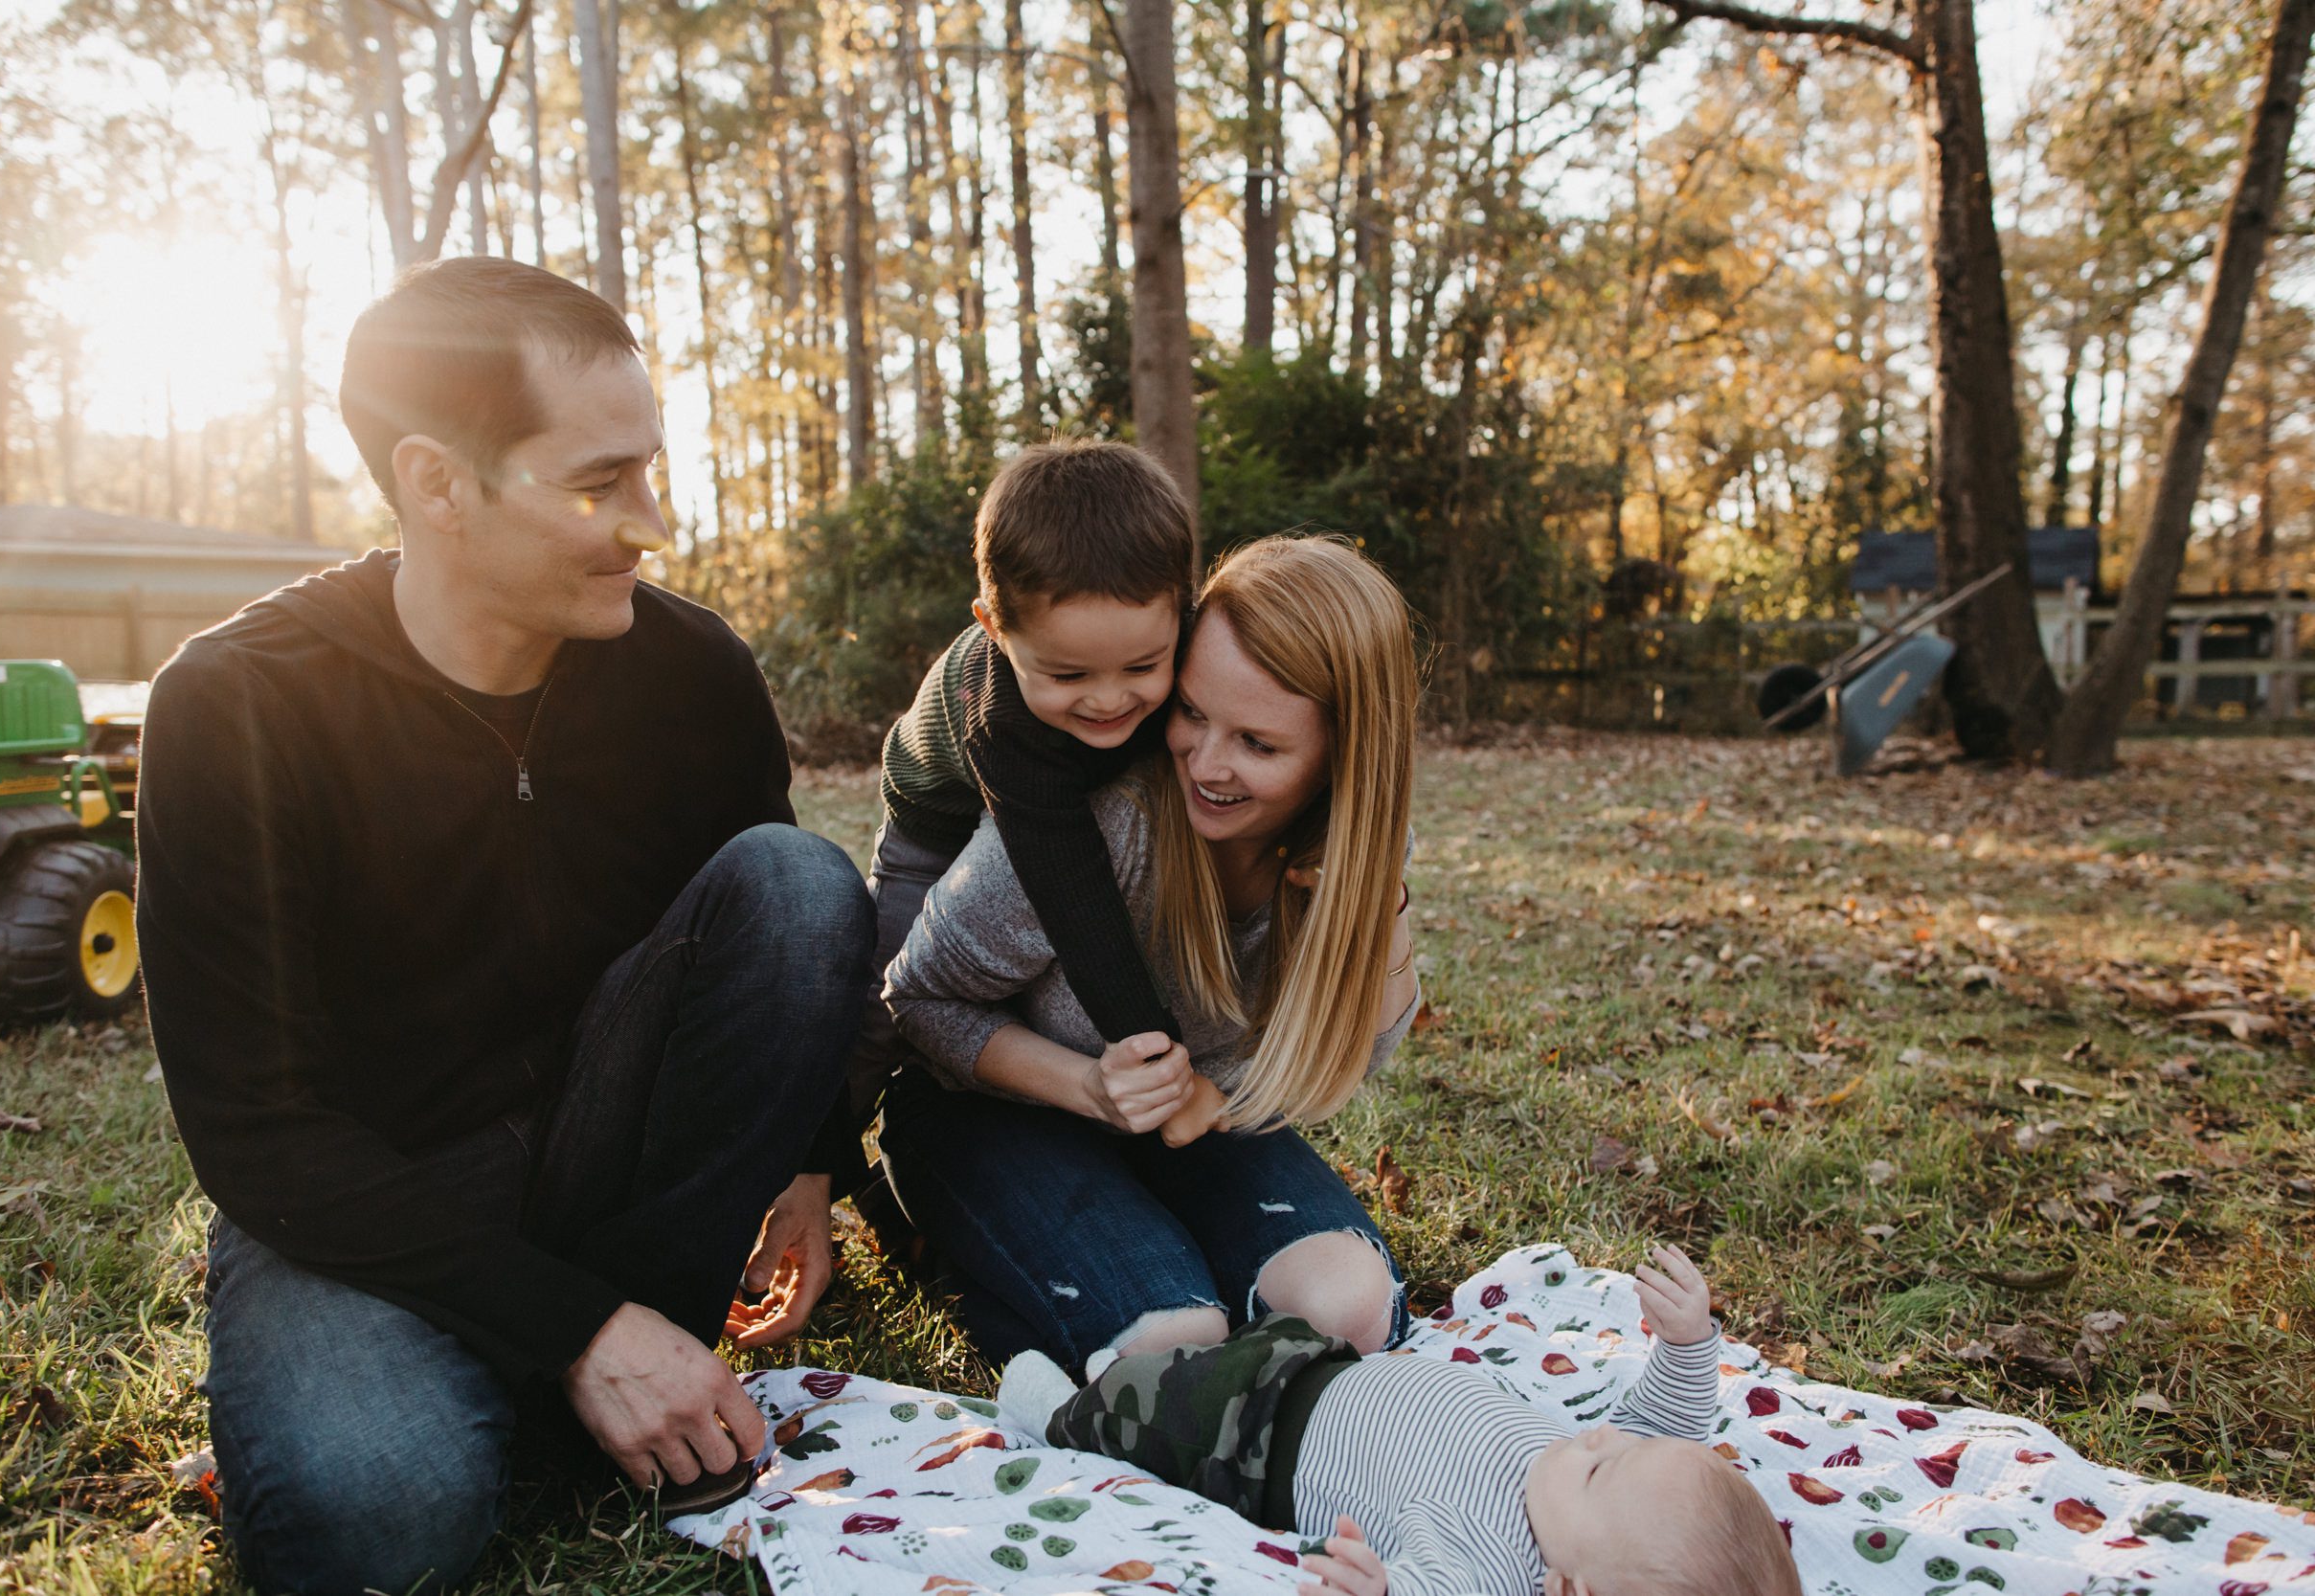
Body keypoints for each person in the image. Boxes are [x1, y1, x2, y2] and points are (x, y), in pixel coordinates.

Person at [135, 258, 874, 1596]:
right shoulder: (234, 705)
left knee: (798, 881)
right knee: (381, 1516)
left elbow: (779, 953)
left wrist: (812, 1167)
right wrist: (584, 1329)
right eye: (599, 484)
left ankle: (572, 1361)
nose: (651, 522)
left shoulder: (690, 667)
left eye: (650, 469)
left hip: (610, 1159)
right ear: (435, 483)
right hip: (371, 1196)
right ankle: (548, 1371)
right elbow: (259, 1129)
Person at [875, 534, 1423, 1379]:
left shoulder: (1353, 850)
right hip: (996, 1111)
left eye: (1259, 744)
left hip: (1185, 1132)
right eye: (1193, 712)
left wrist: (1381, 915)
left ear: (1343, 759)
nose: (1206, 764)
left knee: (1349, 1312)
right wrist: (1089, 1086)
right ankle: (953, 1239)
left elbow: (1356, 1050)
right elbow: (916, 1002)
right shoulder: (1102, 817)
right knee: (1172, 1351)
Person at [728, 439, 1195, 1349]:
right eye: (1068, 674)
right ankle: (817, 1175)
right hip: (936, 824)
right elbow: (1072, 892)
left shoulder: (1173, 651)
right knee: (878, 1009)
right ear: (993, 626)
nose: (1109, 699)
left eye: (1143, 666)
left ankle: (1032, 1143)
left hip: (1039, 819)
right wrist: (1151, 1047)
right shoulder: (1003, 717)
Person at [995, 1244, 1805, 1596]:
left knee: (1150, 1406)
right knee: (1232, 1340)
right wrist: (1690, 1339)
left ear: (1569, 1588)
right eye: (1616, 1442)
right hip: (1330, 1369)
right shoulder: (1609, 1489)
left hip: (1254, 1439)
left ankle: (1057, 1414)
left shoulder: (1487, 1568)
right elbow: (1668, 1423)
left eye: (1600, 1464)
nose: (1601, 1434)